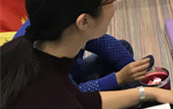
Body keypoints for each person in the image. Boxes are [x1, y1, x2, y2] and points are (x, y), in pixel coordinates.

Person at [0, 0, 173, 109]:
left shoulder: (30, 42)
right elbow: (74, 100)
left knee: (124, 52)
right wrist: (122, 80)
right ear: (84, 21)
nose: (115, 2)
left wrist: (145, 92)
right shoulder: (59, 100)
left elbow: (82, 99)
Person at [13, 17, 151, 93]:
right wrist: (119, 78)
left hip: (71, 79)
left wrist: (135, 69)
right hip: (64, 98)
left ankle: (132, 84)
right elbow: (75, 96)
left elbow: (104, 44)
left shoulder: (66, 23)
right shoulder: (46, 60)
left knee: (123, 47)